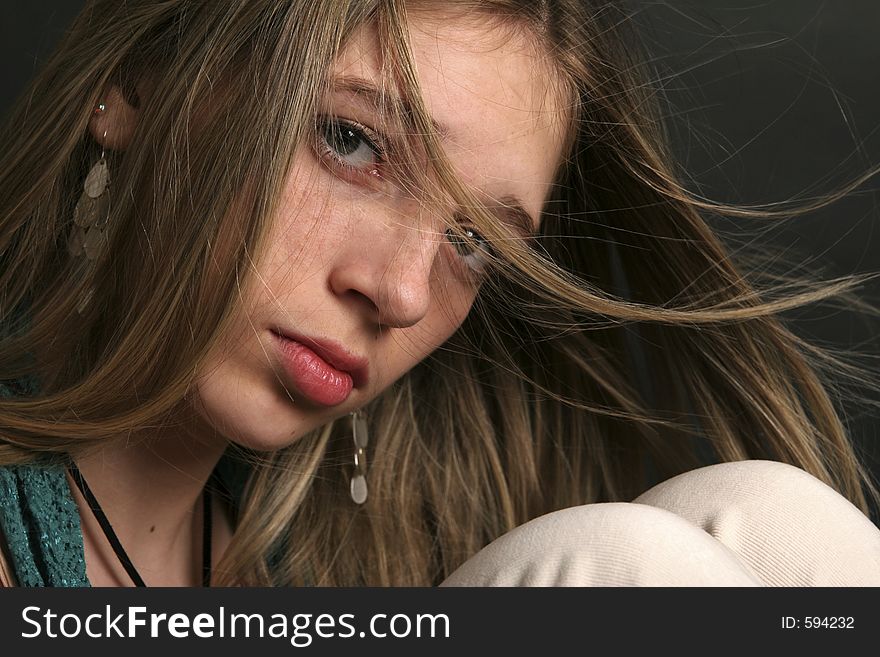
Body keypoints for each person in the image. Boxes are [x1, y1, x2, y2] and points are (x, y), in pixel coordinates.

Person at [1, 0, 878, 588]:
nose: (405, 292)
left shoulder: (346, 563)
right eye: (352, 142)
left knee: (775, 518)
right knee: (631, 567)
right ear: (132, 90)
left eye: (474, 242)